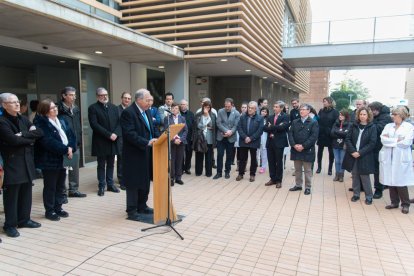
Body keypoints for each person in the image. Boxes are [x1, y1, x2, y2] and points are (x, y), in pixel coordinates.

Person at [0, 93, 43, 238]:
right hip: (12, 163)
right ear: (4, 105)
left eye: (17, 101)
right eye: (12, 102)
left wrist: (22, 135)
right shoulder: (2, 122)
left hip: (26, 162)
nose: (17, 104)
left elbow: (39, 133)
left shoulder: (24, 119)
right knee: (12, 196)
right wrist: (28, 138)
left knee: (26, 192)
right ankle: (10, 225)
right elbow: (12, 140)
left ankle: (24, 219)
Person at [35, 100, 76, 221]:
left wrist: (71, 148)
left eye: (55, 107)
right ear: (45, 111)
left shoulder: (61, 120)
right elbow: (48, 142)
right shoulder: (41, 123)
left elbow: (71, 135)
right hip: (50, 160)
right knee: (50, 186)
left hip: (63, 158)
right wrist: (65, 149)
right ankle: (50, 210)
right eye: (52, 108)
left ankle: (58, 207)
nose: (55, 109)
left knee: (60, 185)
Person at [120, 89, 158, 221]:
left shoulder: (146, 111)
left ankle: (142, 205)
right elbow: (129, 134)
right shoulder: (128, 113)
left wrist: (158, 138)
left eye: (150, 100)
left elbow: (151, 129)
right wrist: (146, 142)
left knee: (145, 180)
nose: (150, 103)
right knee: (133, 183)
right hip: (134, 154)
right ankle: (132, 210)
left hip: (146, 153)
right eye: (147, 100)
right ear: (139, 100)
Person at [379, 106, 414, 214]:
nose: (392, 117)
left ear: (401, 115)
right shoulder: (389, 126)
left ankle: (405, 204)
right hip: (388, 157)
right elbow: (383, 139)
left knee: (401, 182)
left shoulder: (409, 127)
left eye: (395, 115)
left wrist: (391, 140)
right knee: (390, 181)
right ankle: (394, 202)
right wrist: (396, 140)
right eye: (392, 114)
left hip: (401, 158)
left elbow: (406, 143)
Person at [88, 87, 121, 196]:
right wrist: (109, 134)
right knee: (101, 164)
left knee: (111, 164)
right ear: (97, 96)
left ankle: (110, 184)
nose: (105, 96)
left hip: (113, 140)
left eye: (106, 94)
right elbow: (94, 125)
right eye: (102, 95)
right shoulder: (93, 108)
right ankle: (101, 185)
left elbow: (119, 123)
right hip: (101, 140)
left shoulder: (114, 107)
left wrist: (116, 133)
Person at [342, 107, 377, 205]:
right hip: (353, 154)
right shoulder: (354, 125)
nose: (362, 116)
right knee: (355, 175)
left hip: (364, 155)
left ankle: (369, 196)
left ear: (368, 116)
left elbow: (372, 143)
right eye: (361, 114)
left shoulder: (372, 127)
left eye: (364, 114)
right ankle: (356, 194)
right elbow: (348, 139)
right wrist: (353, 151)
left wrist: (360, 152)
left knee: (364, 176)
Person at [57, 86, 86, 198]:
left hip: (75, 143)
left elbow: (77, 125)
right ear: (64, 96)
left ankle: (73, 190)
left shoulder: (76, 108)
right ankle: (62, 192)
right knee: (63, 168)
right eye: (71, 95)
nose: (74, 97)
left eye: (75, 95)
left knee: (74, 167)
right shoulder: (58, 109)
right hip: (63, 144)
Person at [288, 103, 319, 195]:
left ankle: (308, 187)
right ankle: (298, 185)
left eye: (304, 109)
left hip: (307, 150)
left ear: (308, 111)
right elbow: (290, 134)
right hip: (296, 149)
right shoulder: (295, 122)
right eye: (300, 109)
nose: (301, 111)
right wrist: (294, 145)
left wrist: (303, 146)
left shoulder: (313, 122)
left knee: (307, 170)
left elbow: (313, 137)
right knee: (297, 169)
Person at [368, 101, 392, 199]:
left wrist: (369, 123)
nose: (371, 113)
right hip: (374, 146)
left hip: (380, 147)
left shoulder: (386, 118)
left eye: (372, 111)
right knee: (376, 169)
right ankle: (381, 186)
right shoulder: (377, 117)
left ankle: (378, 189)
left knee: (378, 170)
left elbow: (379, 129)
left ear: (377, 109)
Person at [236, 101, 264, 182]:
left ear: (255, 109)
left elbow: (260, 130)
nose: (249, 109)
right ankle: (240, 174)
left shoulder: (260, 118)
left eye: (252, 108)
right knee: (242, 159)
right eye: (249, 107)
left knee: (253, 159)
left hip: (254, 141)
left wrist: (251, 138)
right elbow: (239, 128)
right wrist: (245, 137)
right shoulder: (242, 117)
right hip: (243, 141)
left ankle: (252, 174)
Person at [264, 101, 290, 188]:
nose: (274, 108)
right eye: (274, 106)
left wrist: (271, 127)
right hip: (270, 142)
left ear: (281, 108)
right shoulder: (270, 117)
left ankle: (279, 180)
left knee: (279, 162)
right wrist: (274, 128)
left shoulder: (285, 116)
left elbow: (283, 127)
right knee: (271, 161)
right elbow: (265, 128)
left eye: (276, 107)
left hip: (279, 142)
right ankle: (272, 179)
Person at [214, 98, 240, 179]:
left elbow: (236, 125)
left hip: (231, 137)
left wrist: (230, 132)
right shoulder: (220, 111)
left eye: (228, 106)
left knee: (229, 156)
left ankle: (227, 172)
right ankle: (219, 172)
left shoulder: (236, 113)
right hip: (221, 136)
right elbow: (218, 123)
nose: (227, 108)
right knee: (220, 155)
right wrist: (226, 131)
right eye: (225, 106)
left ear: (232, 105)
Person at [164, 102, 188, 185]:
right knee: (172, 160)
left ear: (179, 110)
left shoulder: (182, 118)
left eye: (176, 108)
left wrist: (180, 139)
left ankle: (178, 178)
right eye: (173, 108)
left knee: (179, 160)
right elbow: (166, 131)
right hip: (172, 143)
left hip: (181, 143)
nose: (175, 109)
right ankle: (171, 178)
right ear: (171, 109)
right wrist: (174, 140)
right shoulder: (167, 118)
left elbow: (185, 130)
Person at [316, 97, 339, 175]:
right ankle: (319, 167)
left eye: (325, 101)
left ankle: (330, 169)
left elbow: (337, 123)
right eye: (323, 101)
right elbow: (317, 120)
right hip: (321, 134)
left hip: (330, 135)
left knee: (331, 153)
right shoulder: (321, 111)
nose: (324, 103)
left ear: (330, 102)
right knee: (319, 151)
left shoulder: (335, 112)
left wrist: (332, 131)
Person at [194, 101, 216, 177]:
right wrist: (206, 125)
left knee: (209, 156)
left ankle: (208, 173)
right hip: (200, 138)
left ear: (210, 108)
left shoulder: (212, 115)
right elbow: (198, 126)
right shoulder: (198, 115)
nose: (207, 108)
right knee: (199, 155)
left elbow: (213, 126)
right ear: (203, 107)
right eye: (205, 107)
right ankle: (198, 172)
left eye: (208, 107)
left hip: (209, 138)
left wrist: (207, 117)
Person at [116, 92, 132, 190]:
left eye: (129, 98)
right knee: (121, 159)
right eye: (125, 98)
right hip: (121, 138)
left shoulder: (131, 110)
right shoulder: (116, 109)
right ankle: (121, 180)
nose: (127, 100)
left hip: (130, 138)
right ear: (121, 98)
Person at [330, 109, 351, 182]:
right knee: (337, 161)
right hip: (335, 145)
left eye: (342, 115)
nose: (340, 116)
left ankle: (341, 175)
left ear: (346, 116)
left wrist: (337, 132)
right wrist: (341, 132)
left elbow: (347, 134)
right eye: (339, 115)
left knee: (342, 161)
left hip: (343, 145)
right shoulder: (336, 123)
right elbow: (332, 133)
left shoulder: (349, 124)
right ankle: (337, 175)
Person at [179, 99, 194, 175]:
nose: (182, 106)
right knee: (181, 153)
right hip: (180, 136)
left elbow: (193, 125)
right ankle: (181, 168)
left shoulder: (191, 114)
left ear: (187, 106)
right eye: (181, 104)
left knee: (189, 153)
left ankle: (187, 168)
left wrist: (192, 137)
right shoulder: (178, 113)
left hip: (189, 137)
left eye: (184, 104)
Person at [234, 102, 248, 171]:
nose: (244, 109)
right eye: (242, 107)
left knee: (245, 151)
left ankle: (244, 166)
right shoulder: (238, 116)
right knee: (238, 151)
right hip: (238, 135)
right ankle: (238, 166)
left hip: (246, 136)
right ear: (240, 108)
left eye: (245, 107)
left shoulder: (249, 117)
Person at [258, 107, 269, 174]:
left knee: (264, 153)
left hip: (264, 137)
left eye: (265, 112)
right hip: (256, 137)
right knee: (256, 152)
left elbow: (267, 128)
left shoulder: (268, 119)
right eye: (262, 111)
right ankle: (255, 164)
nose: (263, 113)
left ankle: (263, 167)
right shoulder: (257, 118)